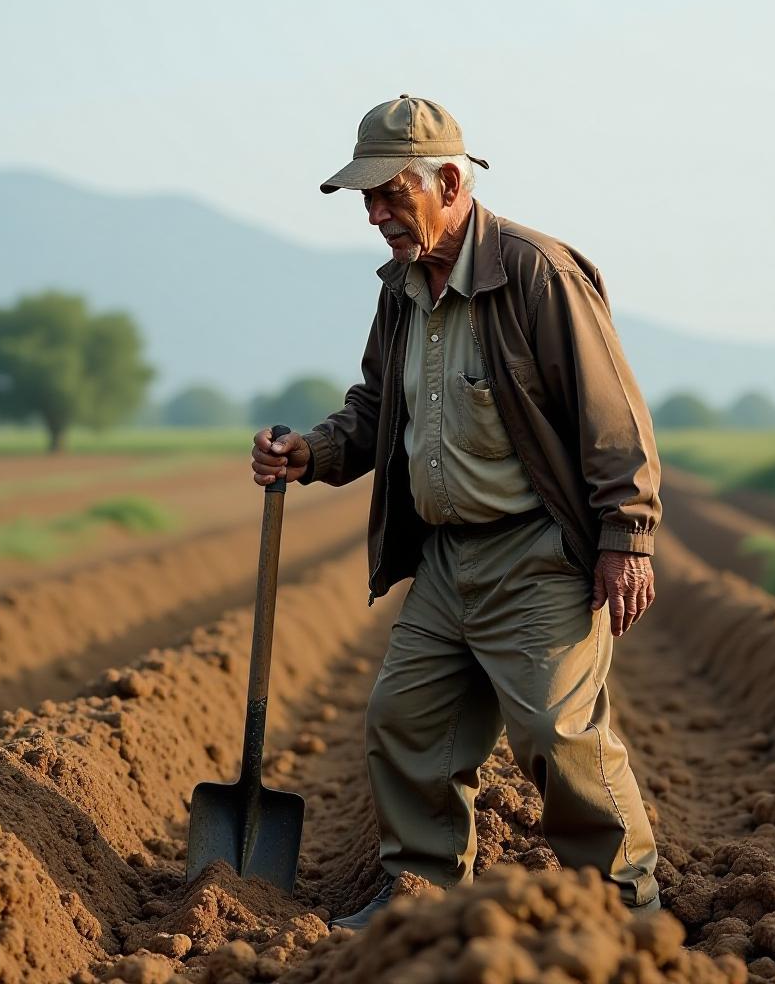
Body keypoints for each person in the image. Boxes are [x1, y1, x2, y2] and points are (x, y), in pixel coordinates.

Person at [251, 95, 663, 929]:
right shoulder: (401, 289)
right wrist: (314, 452)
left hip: (538, 553)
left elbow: (612, 415)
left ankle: (631, 915)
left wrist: (628, 536)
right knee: (405, 721)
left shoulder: (537, 274)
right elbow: (378, 408)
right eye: (365, 199)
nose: (374, 216)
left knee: (558, 736)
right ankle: (422, 899)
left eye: (388, 194)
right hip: (446, 559)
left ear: (448, 180)